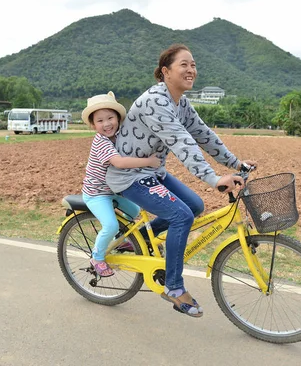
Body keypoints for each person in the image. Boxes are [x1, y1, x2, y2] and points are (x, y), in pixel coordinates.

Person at [106, 44, 256, 317]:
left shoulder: (180, 102)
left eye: (194, 65)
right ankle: (174, 288)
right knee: (181, 216)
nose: (191, 70)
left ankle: (136, 239)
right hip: (129, 175)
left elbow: (202, 134)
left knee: (195, 206)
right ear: (165, 72)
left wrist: (235, 163)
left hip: (153, 173)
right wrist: (213, 178)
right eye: (184, 65)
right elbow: (182, 142)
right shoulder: (155, 101)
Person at [81, 91, 161, 277]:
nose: (107, 124)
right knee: (110, 225)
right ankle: (97, 257)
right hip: (96, 193)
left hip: (115, 190)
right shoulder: (101, 142)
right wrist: (148, 162)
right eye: (100, 121)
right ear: (93, 125)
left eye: (110, 118)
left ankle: (121, 241)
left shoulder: (119, 136)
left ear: (118, 118)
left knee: (134, 212)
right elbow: (119, 162)